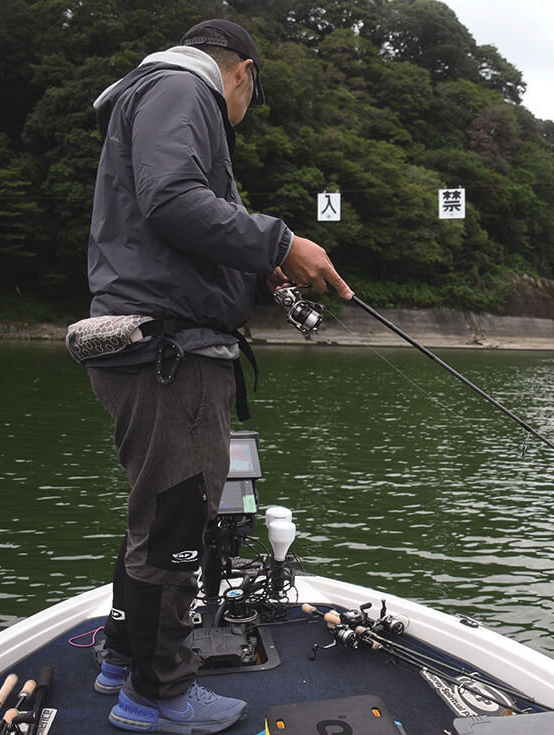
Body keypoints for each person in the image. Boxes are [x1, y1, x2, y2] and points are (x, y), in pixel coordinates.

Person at [82, 18, 352, 734]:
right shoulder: (184, 88)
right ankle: (158, 696)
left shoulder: (153, 92)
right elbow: (171, 200)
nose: (245, 110)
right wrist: (284, 240)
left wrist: (251, 257)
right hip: (169, 350)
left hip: (151, 343)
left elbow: (172, 216)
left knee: (155, 511)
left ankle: (120, 654)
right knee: (175, 522)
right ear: (242, 73)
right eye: (251, 96)